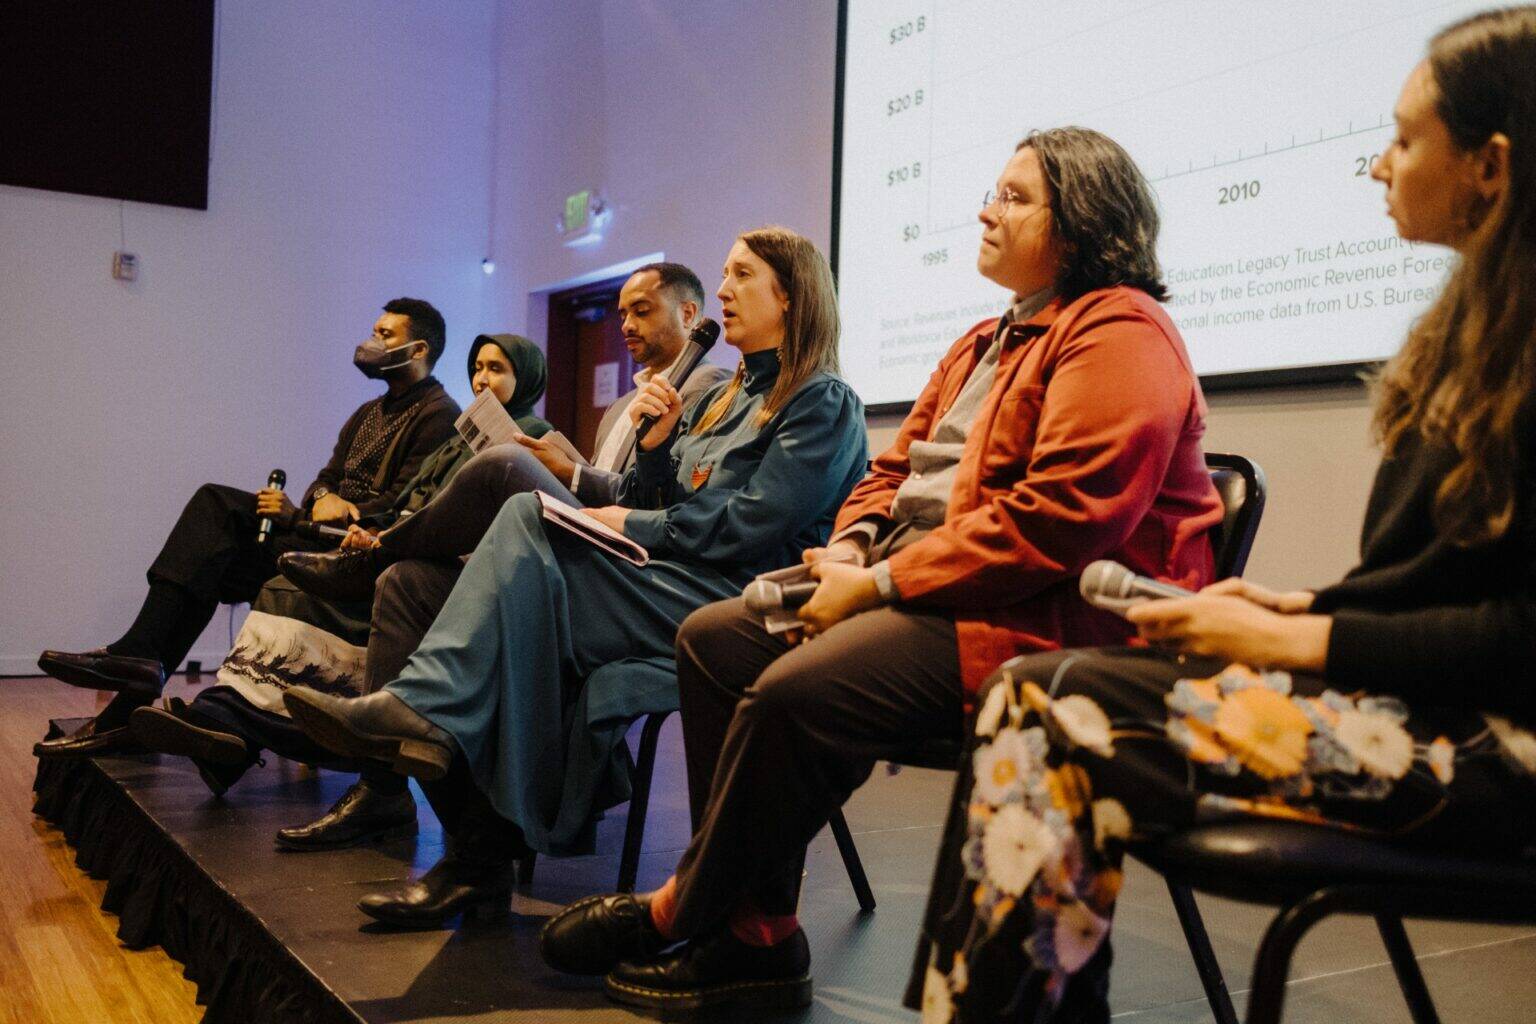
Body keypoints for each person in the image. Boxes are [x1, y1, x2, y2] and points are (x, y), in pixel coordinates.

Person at [894, 9, 1536, 1021]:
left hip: (1503, 755)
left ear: (1491, 166)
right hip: (1435, 713)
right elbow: (1451, 585)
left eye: (1406, 141)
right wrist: (1295, 606)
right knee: (1036, 693)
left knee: (1048, 706)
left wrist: (1300, 637)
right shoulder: (1477, 335)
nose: (1379, 164)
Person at [540, 127, 1227, 1016]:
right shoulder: (982, 340)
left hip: (1039, 615)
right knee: (714, 640)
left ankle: (689, 908)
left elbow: (1060, 519)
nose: (986, 211)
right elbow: (890, 471)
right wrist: (855, 546)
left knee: (796, 693)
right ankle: (760, 934)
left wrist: (877, 586)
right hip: (927, 585)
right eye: (993, 191)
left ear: (1084, 220)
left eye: (1014, 197)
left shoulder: (1121, 328)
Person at [283, 228, 869, 928]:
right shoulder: (723, 397)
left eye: (741, 275)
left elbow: (748, 528)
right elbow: (661, 499)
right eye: (723, 273)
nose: (722, 290)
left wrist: (634, 524)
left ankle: (429, 722)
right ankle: (469, 840)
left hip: (729, 603)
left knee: (521, 507)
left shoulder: (822, 401)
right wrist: (656, 452)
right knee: (410, 586)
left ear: (792, 294)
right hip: (655, 579)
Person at [253, 264, 730, 849]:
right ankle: (389, 793)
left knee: (503, 466)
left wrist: (570, 475)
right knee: (404, 582)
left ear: (689, 314)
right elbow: (618, 487)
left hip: (631, 566)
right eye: (622, 312)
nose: (626, 323)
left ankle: (374, 556)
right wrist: (573, 472)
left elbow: (662, 504)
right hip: (592, 535)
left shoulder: (708, 390)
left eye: (643, 310)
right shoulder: (621, 407)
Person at [123, 333, 552, 812]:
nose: (481, 378)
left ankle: (228, 725)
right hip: (394, 545)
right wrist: (370, 529)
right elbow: (399, 501)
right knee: (281, 580)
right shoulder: (458, 435)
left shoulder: (531, 440)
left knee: (305, 589)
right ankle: (221, 724)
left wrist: (379, 534)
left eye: (497, 369)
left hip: (444, 570)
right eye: (477, 367)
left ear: (527, 378)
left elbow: (486, 523)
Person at [34, 298, 460, 759]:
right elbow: (324, 481)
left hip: (355, 557)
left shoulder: (439, 415)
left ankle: (138, 668)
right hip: (318, 538)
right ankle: (132, 687)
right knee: (209, 556)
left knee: (220, 506)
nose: (371, 342)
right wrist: (321, 499)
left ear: (418, 349)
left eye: (385, 335)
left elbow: (399, 509)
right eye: (374, 331)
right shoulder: (368, 412)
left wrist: (312, 514)